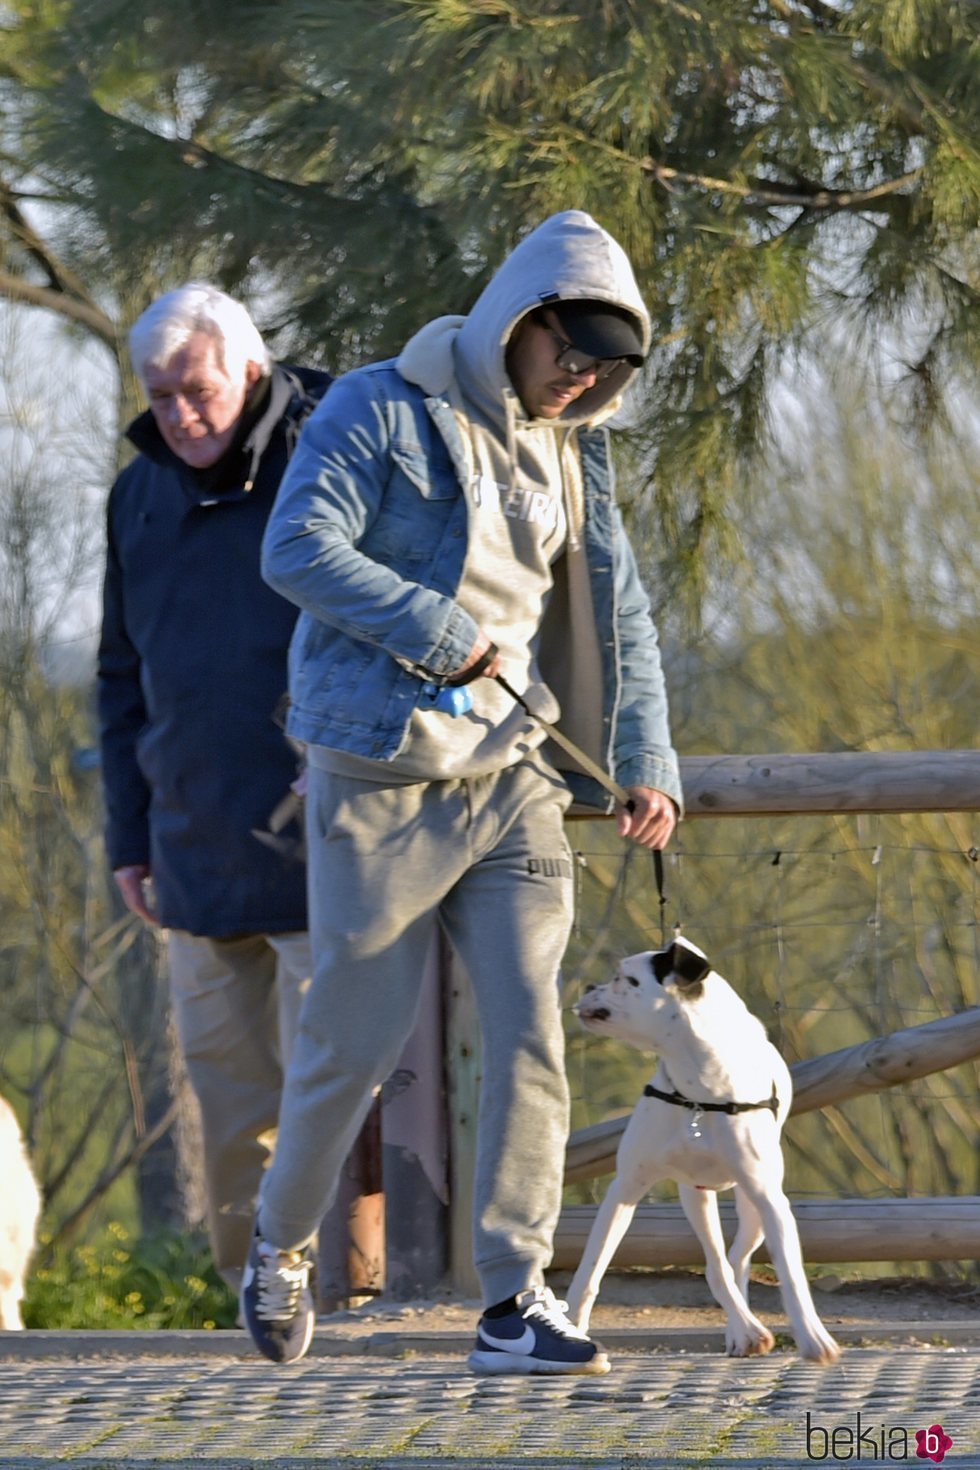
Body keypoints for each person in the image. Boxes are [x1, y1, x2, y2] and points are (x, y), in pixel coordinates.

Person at [244, 210, 683, 1373]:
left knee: (531, 1025)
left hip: (514, 778)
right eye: (568, 353)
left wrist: (646, 760)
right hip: (381, 778)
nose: (580, 381)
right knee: (355, 1043)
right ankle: (280, 1246)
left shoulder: (574, 447)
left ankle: (513, 1299)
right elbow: (293, 549)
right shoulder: (377, 408)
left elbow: (617, 612)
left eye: (605, 370)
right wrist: (438, 633)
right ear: (517, 321)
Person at [96, 283, 332, 1295]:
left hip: (331, 848)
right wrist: (128, 838)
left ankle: (350, 1301)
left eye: (195, 391)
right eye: (159, 396)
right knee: (233, 1114)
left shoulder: (330, 453)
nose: (178, 416)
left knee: (336, 1104)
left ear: (248, 368)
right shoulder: (134, 497)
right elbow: (120, 678)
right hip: (192, 850)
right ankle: (257, 1314)